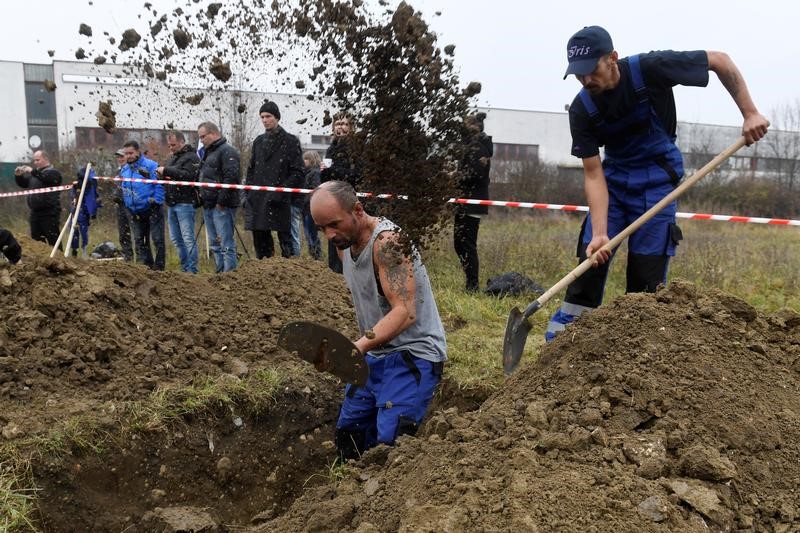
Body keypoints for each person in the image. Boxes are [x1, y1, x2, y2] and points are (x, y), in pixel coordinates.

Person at [545, 26, 770, 341]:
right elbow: (593, 173)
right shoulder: (583, 108)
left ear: (612, 58)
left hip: (656, 184)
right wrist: (599, 233)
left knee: (645, 279)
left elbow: (720, 60)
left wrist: (750, 113)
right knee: (590, 262)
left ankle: (635, 350)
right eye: (578, 75)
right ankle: (564, 344)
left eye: (591, 71)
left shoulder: (649, 69)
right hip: (614, 184)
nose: (586, 81)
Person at [309, 180, 447, 461]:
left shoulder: (388, 243)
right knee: (350, 436)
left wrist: (357, 347)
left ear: (358, 210)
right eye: (322, 228)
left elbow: (405, 312)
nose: (329, 235)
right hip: (376, 354)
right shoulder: (343, 244)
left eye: (334, 224)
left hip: (414, 355)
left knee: (390, 446)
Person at [244, 101, 305, 259]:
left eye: (268, 116)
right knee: (261, 243)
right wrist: (249, 191)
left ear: (277, 117)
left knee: (287, 242)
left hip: (281, 199)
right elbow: (251, 169)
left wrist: (282, 191)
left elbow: (298, 172)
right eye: (262, 117)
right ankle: (264, 272)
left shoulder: (290, 141)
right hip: (258, 198)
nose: (265, 120)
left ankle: (291, 272)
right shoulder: (258, 141)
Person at [455, 112, 493, 292]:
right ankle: (470, 282)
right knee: (459, 243)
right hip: (465, 202)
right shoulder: (469, 147)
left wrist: (454, 177)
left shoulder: (479, 148)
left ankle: (473, 285)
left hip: (473, 202)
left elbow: (475, 175)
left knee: (467, 244)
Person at [320, 111, 362, 273]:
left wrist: (333, 169)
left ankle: (354, 273)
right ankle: (335, 274)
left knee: (351, 238)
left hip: (351, 200)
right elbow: (325, 178)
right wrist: (323, 171)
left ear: (351, 127)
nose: (340, 127)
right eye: (337, 124)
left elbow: (358, 174)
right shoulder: (331, 148)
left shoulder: (357, 147)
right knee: (334, 237)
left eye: (344, 124)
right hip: (333, 200)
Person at [198, 121, 241, 272]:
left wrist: (221, 201)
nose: (201, 140)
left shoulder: (228, 151)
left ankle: (230, 274)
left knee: (226, 244)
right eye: (200, 137)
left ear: (214, 134)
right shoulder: (207, 153)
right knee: (214, 244)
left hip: (222, 205)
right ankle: (220, 272)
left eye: (203, 136)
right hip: (208, 204)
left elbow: (231, 177)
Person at [157, 130, 201, 274]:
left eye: (173, 145)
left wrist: (167, 171)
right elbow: (169, 177)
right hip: (171, 202)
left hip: (185, 202)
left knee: (188, 238)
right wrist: (161, 177)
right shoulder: (172, 158)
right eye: (169, 145)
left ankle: (192, 270)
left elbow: (188, 176)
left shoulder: (192, 157)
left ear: (182, 142)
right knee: (176, 239)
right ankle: (185, 268)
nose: (171, 148)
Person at [120, 140, 165, 270]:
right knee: (140, 240)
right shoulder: (125, 170)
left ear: (138, 151)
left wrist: (157, 200)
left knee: (157, 239)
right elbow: (124, 186)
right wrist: (126, 202)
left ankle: (160, 268)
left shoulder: (150, 165)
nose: (128, 156)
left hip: (152, 207)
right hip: (134, 210)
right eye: (126, 153)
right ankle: (147, 267)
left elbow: (159, 184)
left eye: (131, 153)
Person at [14, 150, 62, 246]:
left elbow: (47, 179)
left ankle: (59, 259)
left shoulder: (53, 172)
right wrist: (18, 176)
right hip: (35, 213)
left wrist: (32, 171)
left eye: (37, 160)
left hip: (49, 212)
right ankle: (41, 260)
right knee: (37, 242)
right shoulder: (35, 175)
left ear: (46, 159)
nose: (35, 163)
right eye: (34, 160)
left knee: (53, 240)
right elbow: (24, 184)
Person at [69, 166, 101, 258]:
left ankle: (84, 249)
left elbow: (94, 197)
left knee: (83, 231)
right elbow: (72, 196)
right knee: (73, 230)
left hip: (85, 211)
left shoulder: (92, 183)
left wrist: (93, 212)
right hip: (76, 210)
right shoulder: (76, 185)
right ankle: (74, 250)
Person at [112, 148, 135, 262]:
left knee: (136, 231)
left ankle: (141, 257)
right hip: (119, 204)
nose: (120, 159)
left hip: (130, 204)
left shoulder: (131, 170)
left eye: (122, 156)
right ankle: (128, 256)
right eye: (118, 157)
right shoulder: (118, 171)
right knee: (123, 232)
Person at [301, 150, 323, 259]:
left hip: (310, 207)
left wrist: (306, 200)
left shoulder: (315, 173)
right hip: (305, 207)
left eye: (306, 159)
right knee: (307, 233)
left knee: (312, 234)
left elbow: (315, 188)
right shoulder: (306, 173)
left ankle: (316, 255)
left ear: (312, 160)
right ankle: (313, 254)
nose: (304, 161)